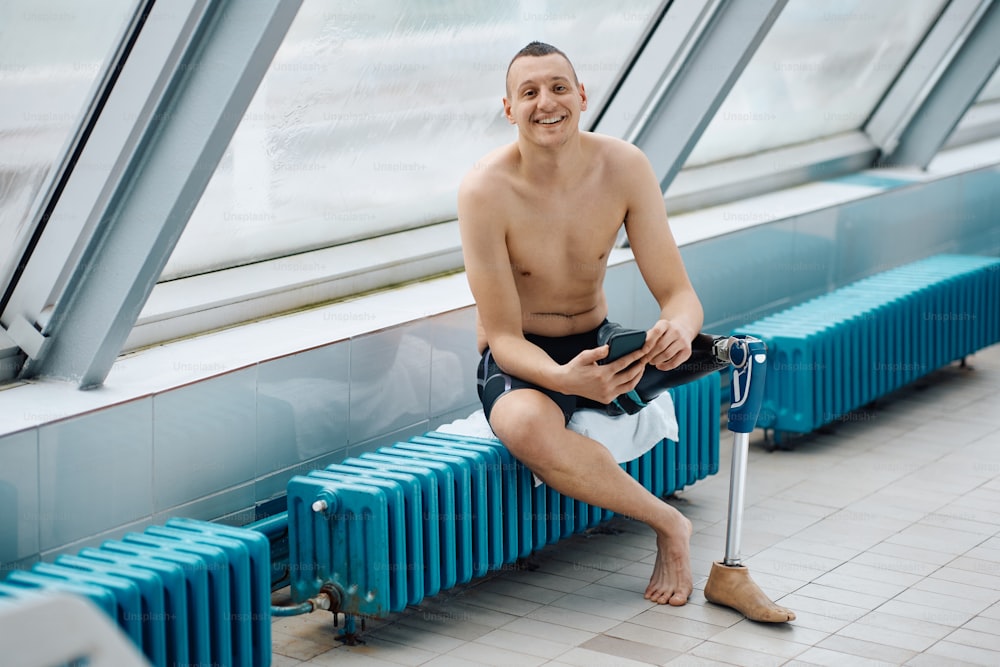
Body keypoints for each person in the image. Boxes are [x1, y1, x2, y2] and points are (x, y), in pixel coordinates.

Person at [457, 41, 704, 606]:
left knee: (685, 355)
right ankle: (669, 525)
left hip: (595, 339)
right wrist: (565, 381)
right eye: (530, 92)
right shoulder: (484, 191)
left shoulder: (624, 167)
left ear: (583, 96)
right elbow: (501, 338)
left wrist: (678, 329)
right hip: (526, 353)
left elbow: (681, 295)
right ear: (509, 108)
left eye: (559, 86)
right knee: (523, 424)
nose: (547, 102)